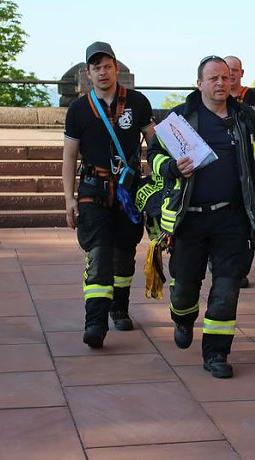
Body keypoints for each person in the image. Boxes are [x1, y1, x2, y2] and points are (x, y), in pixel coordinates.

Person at [147, 55, 255, 378]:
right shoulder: (181, 118)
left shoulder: (248, 119)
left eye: (226, 78)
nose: (221, 83)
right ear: (200, 83)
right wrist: (169, 167)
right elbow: (153, 156)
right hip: (189, 218)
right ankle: (182, 316)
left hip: (232, 219)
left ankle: (216, 352)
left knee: (227, 285)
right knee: (185, 286)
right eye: (214, 78)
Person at [62, 41, 155, 349]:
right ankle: (95, 322)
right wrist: (69, 199)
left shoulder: (138, 103)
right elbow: (69, 157)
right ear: (88, 74)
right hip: (92, 189)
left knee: (124, 254)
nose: (102, 72)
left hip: (129, 190)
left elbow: (155, 144)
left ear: (117, 68)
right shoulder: (78, 110)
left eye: (107, 66)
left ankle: (119, 306)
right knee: (99, 254)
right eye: (96, 67)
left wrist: (161, 181)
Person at [225, 55, 255, 289]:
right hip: (226, 169)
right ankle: (222, 263)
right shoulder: (214, 99)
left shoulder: (254, 99)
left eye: (235, 70)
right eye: (227, 70)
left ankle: (242, 268)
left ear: (242, 73)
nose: (231, 74)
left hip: (250, 168)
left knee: (249, 218)